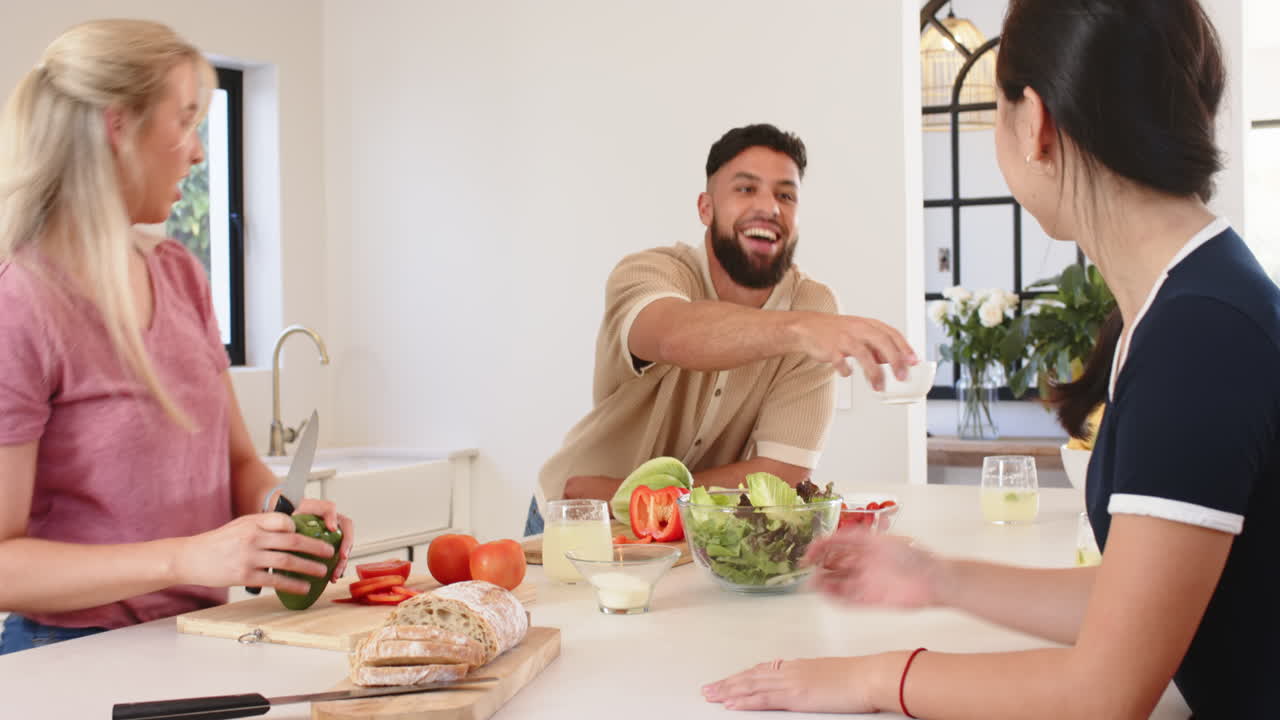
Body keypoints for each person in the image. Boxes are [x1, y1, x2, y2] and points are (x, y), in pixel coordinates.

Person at [703, 0, 1280, 717]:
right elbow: (1139, 607)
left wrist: (872, 679)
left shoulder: (1201, 335)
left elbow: (1103, 690)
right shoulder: (1190, 303)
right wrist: (936, 578)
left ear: (1034, 123)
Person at [0, 19, 354, 655]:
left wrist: (279, 516)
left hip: (194, 640)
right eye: (185, 121)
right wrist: (187, 559)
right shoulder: (20, 300)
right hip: (69, 654)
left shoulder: (181, 275)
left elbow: (239, 464)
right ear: (119, 126)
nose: (198, 151)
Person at [527, 123, 917, 535]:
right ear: (706, 208)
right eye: (746, 189)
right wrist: (801, 330)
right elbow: (672, 336)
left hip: (691, 528)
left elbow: (780, 474)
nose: (769, 207)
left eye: (786, 195)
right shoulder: (648, 272)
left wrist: (627, 496)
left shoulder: (814, 308)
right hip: (578, 518)